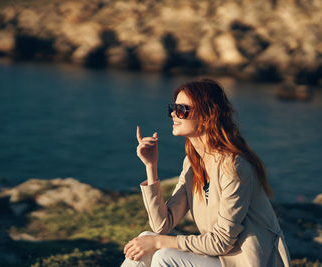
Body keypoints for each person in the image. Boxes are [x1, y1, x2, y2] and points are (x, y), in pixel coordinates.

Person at [121, 78, 291, 267]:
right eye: (172, 109)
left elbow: (222, 241)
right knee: (146, 238)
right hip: (219, 259)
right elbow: (162, 224)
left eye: (182, 110)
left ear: (206, 115)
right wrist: (151, 166)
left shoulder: (234, 165)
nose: (174, 116)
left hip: (248, 262)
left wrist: (160, 242)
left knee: (164, 255)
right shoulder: (194, 163)